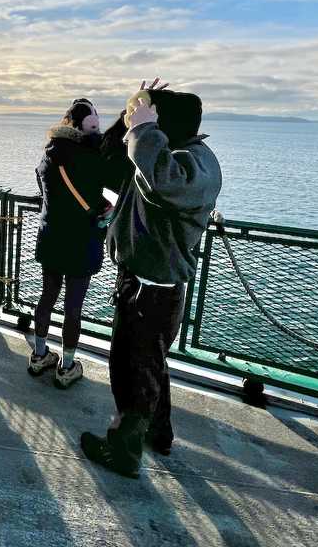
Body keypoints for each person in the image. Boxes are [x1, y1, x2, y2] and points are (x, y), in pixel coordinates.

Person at [81, 82, 222, 479]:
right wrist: (131, 115)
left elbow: (163, 183)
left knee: (132, 374)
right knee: (149, 367)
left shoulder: (192, 163)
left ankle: (122, 452)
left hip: (154, 289)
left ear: (166, 124)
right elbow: (108, 158)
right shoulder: (167, 155)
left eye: (153, 117)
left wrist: (144, 130)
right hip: (145, 283)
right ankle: (158, 434)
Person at [30, 98, 112, 388]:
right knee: (72, 308)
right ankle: (66, 367)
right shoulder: (91, 154)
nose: (98, 123)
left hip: (51, 236)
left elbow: (45, 187)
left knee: (47, 297)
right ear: (82, 124)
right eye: (94, 119)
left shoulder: (49, 152)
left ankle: (39, 355)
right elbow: (105, 182)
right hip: (81, 241)